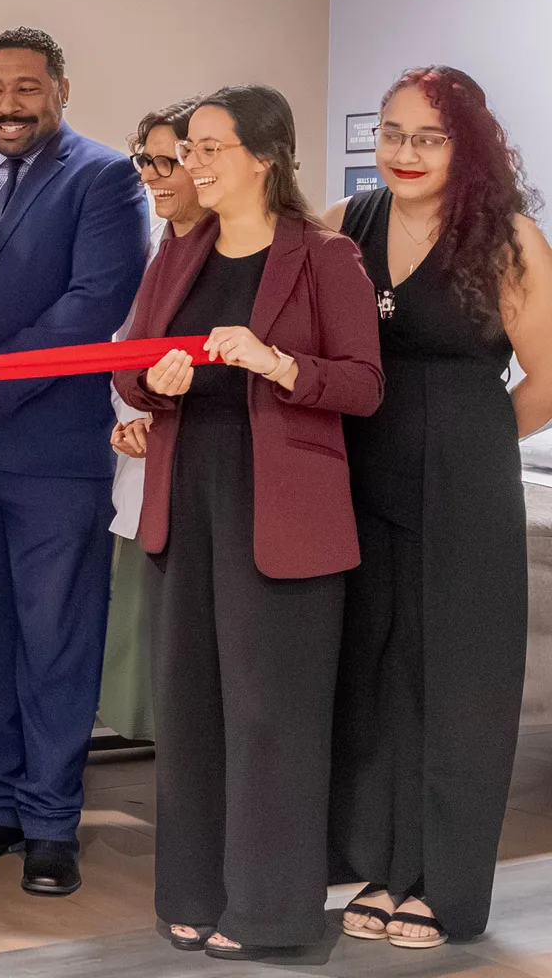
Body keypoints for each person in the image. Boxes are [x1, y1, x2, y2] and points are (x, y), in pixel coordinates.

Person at [119, 84, 382, 959]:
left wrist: (276, 364)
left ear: (264, 157)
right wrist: (149, 381)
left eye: (206, 148)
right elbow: (130, 361)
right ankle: (192, 894)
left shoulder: (327, 256)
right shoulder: (179, 252)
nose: (189, 163)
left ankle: (270, 911)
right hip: (185, 501)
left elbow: (362, 384)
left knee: (272, 716)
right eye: (185, 148)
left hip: (283, 516)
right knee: (190, 709)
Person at [326, 67, 552, 948]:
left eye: (428, 136)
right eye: (391, 133)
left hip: (464, 481)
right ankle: (386, 866)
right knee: (376, 676)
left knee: (459, 684)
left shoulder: (510, 240)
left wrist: (477, 435)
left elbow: (547, 377)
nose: (405, 152)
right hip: (362, 475)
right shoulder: (348, 225)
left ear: (469, 145)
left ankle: (447, 888)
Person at [0, 27, 145, 896]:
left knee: (57, 641)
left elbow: (95, 303)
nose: (7, 105)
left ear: (60, 89)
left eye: (25, 88)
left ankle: (53, 822)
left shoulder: (103, 178)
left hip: (51, 451)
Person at [100, 98, 204, 742]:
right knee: (150, 658)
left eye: (174, 160)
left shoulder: (234, 254)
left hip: (204, 478)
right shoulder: (154, 251)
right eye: (147, 160)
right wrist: (129, 416)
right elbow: (124, 348)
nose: (156, 174)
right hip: (147, 464)